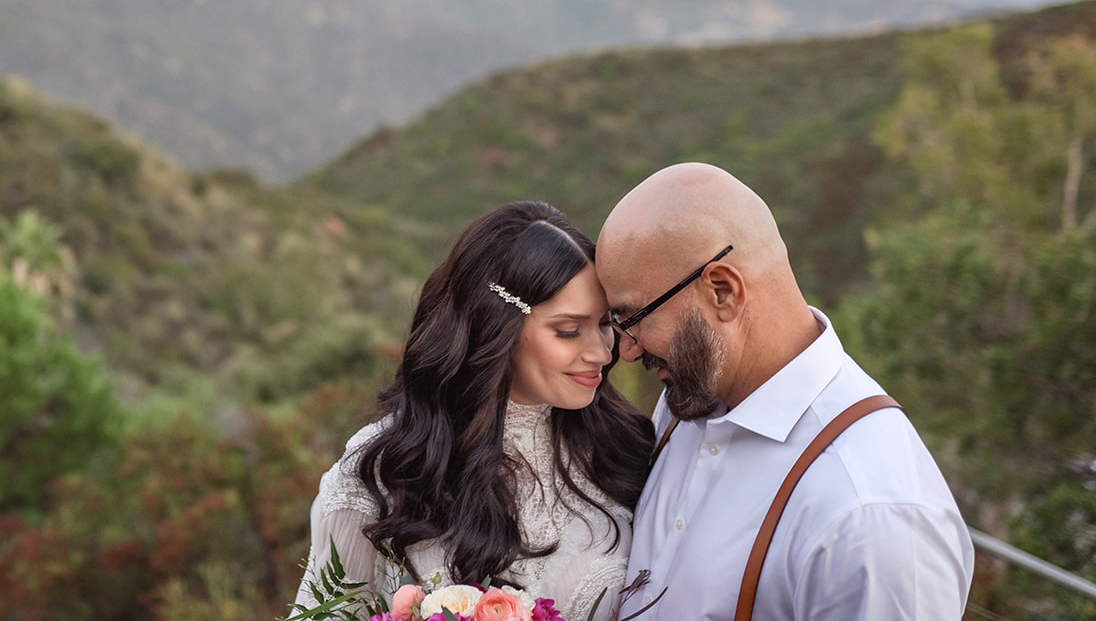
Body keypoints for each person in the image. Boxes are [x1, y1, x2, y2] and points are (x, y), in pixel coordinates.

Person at [594, 162, 973, 620]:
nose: (628, 351)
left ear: (722, 291)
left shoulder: (870, 516)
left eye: (632, 320)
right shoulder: (690, 391)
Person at [292, 201, 655, 620]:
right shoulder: (386, 467)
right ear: (499, 327)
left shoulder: (626, 447)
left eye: (606, 323)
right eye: (568, 331)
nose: (601, 352)